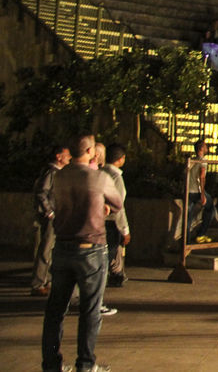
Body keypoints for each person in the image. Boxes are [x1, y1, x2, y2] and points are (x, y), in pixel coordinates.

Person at [42, 134, 122, 372]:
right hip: (91, 248)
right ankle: (86, 364)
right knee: (90, 310)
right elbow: (117, 204)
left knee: (56, 310)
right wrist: (103, 206)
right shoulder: (98, 177)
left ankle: (51, 363)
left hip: (63, 246)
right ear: (90, 152)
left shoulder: (59, 176)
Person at [31, 144, 71, 296]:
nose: (69, 158)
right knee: (46, 249)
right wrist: (50, 212)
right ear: (58, 156)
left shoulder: (57, 173)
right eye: (67, 155)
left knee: (50, 249)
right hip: (51, 217)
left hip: (56, 216)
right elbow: (41, 193)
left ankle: (45, 281)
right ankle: (38, 283)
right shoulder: (51, 173)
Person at [101, 144, 130, 287]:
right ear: (121, 158)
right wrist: (125, 230)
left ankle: (116, 274)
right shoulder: (116, 177)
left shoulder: (100, 172)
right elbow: (118, 206)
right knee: (108, 254)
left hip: (98, 220)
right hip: (112, 222)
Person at [187, 141, 216, 244]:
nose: (207, 147)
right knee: (210, 207)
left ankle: (186, 242)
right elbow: (202, 176)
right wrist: (203, 194)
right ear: (201, 149)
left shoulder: (191, 160)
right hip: (197, 191)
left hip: (188, 191)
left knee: (188, 217)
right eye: (205, 146)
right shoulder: (202, 160)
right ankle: (201, 234)